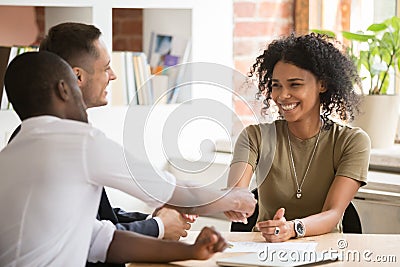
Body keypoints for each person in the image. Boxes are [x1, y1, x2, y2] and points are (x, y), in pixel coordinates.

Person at [0, 51, 256, 266]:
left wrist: (191, 251)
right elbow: (168, 191)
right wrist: (234, 198)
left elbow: (101, 241)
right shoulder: (78, 140)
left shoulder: (8, 157)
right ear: (64, 89)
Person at [9, 22, 193, 249]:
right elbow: (90, 239)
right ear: (77, 77)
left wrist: (151, 221)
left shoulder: (44, 134)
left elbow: (100, 217)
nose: (113, 76)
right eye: (106, 68)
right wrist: (159, 226)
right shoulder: (62, 143)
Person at [225, 33, 370, 242]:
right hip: (265, 251)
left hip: (326, 251)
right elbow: (236, 192)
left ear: (322, 84)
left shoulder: (351, 142)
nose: (282, 95)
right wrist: (234, 203)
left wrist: (292, 228)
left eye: (294, 84)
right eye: (276, 85)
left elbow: (333, 213)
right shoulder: (254, 137)